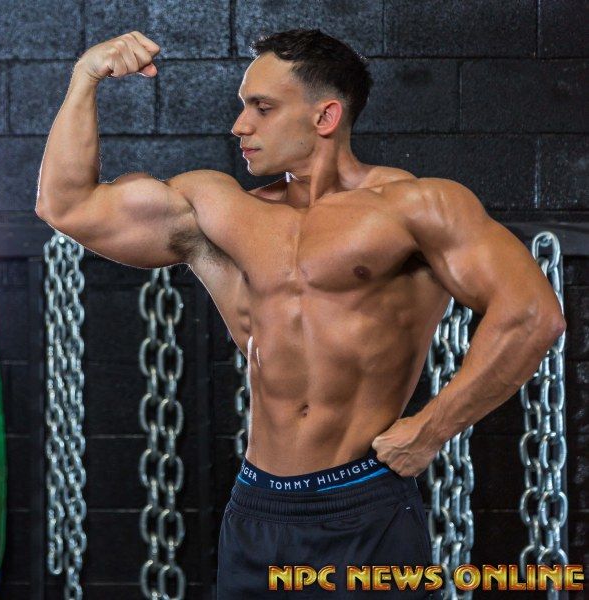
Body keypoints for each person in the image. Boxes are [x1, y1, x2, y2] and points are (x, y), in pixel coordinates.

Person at [34, 28, 567, 598]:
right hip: (257, 508)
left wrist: (431, 430)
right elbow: (66, 206)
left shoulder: (416, 206)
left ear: (325, 116)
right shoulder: (219, 209)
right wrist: (85, 77)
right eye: (244, 106)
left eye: (262, 108)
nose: (240, 125)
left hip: (364, 505)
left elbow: (532, 314)